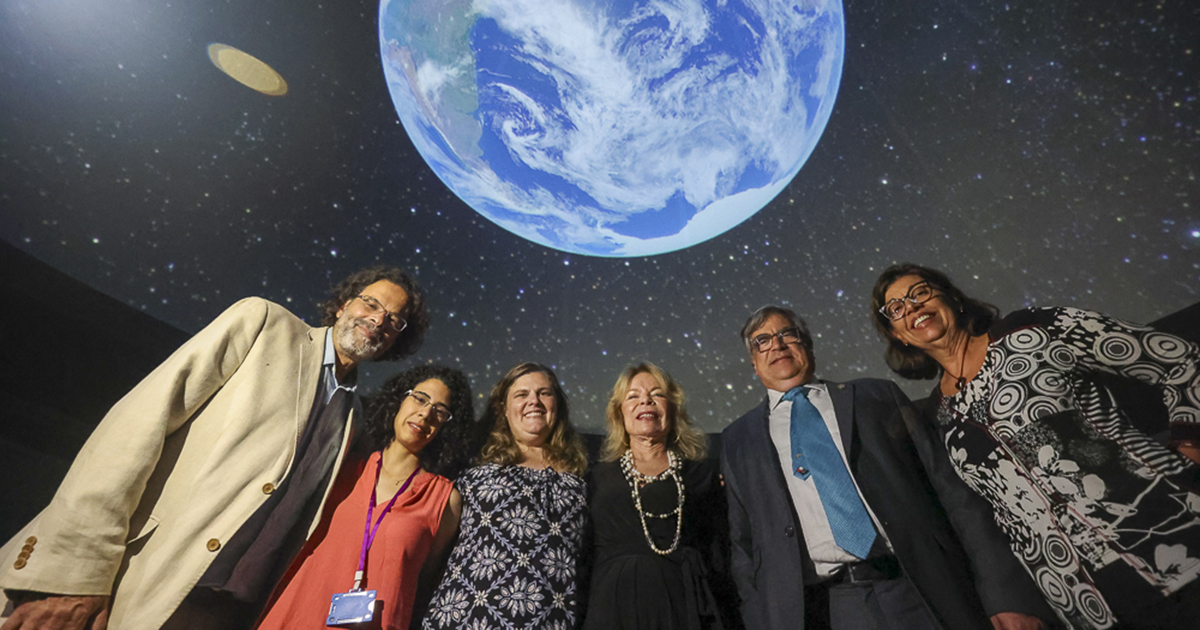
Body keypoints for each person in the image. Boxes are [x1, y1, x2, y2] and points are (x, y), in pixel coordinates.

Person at [0, 265, 429, 630]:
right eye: (370, 303)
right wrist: (74, 571)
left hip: (225, 613)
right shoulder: (264, 324)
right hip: (137, 576)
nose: (379, 319)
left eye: (395, 319)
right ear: (342, 304)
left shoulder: (354, 415)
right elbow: (137, 426)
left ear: (397, 341)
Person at [871, 263, 1200, 629]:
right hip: (1091, 605)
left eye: (921, 292)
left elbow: (1181, 361)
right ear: (898, 335)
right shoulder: (938, 418)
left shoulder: (1034, 330)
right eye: (896, 308)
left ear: (952, 298)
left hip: (1177, 536)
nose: (912, 307)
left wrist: (1190, 444)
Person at [721, 305, 1055, 630]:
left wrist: (1004, 595)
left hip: (919, 587)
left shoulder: (877, 396)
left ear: (806, 342)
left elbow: (954, 495)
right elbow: (744, 548)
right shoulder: (737, 440)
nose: (776, 345)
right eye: (761, 341)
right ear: (753, 360)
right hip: (830, 609)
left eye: (786, 334)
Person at [256, 365, 476, 630]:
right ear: (399, 400)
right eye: (419, 398)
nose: (426, 413)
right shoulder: (341, 467)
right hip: (298, 615)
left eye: (440, 411)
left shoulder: (445, 501)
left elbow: (424, 577)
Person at [422, 362, 589, 630]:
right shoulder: (473, 473)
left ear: (558, 405)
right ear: (505, 409)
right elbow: (432, 557)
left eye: (544, 393)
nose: (534, 401)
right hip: (467, 620)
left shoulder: (583, 480)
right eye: (521, 395)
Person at [583, 362, 741, 630]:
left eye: (657, 394)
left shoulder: (702, 476)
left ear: (673, 409)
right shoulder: (594, 478)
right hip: (611, 610)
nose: (645, 399)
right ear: (619, 413)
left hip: (681, 606)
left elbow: (720, 552)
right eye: (632, 396)